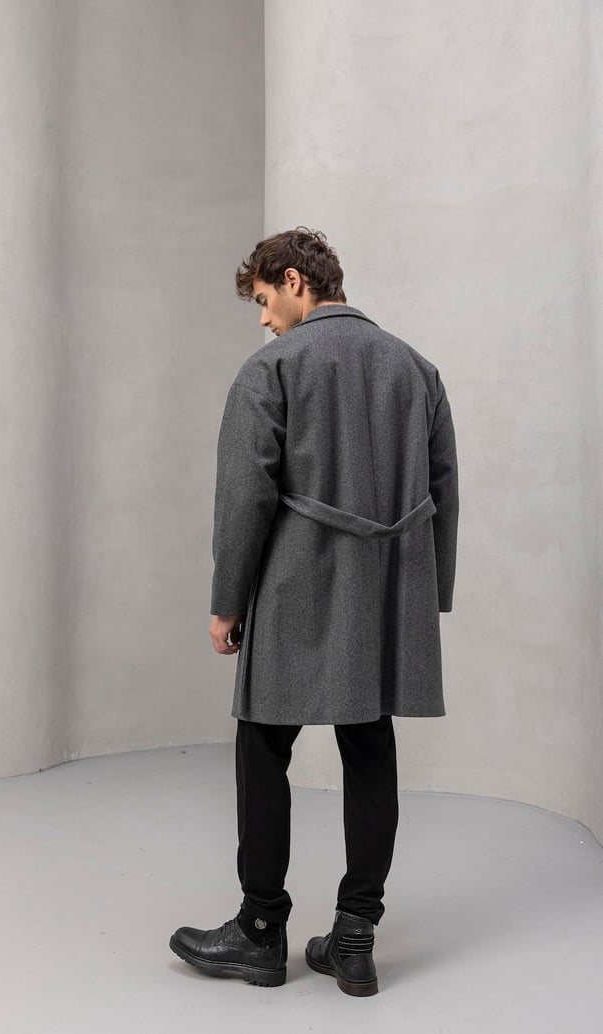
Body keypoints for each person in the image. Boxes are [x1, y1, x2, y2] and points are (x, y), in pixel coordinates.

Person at [169, 227, 459, 996]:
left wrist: (226, 602)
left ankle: (260, 932)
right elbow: (443, 487)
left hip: (295, 586)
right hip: (386, 591)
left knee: (263, 745)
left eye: (265, 301)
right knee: (370, 745)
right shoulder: (415, 369)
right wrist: (429, 596)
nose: (264, 319)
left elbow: (244, 498)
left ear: (296, 281)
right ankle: (355, 938)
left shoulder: (271, 370)